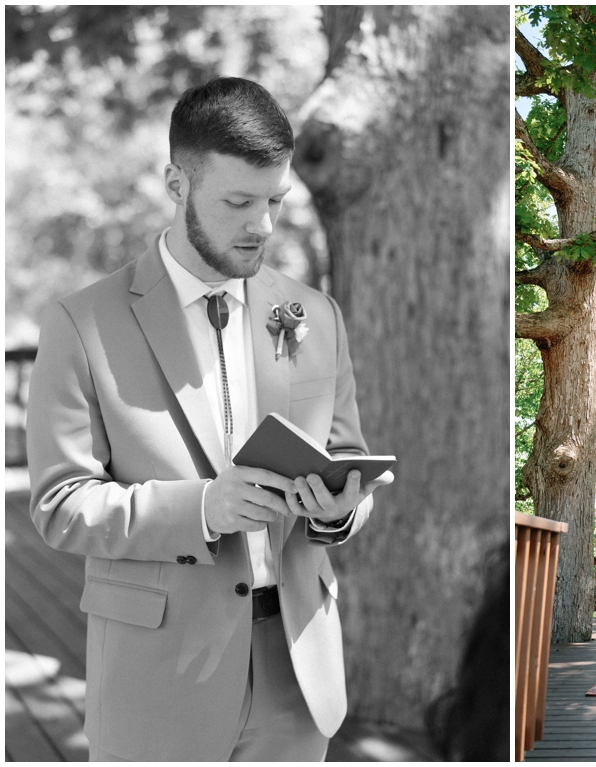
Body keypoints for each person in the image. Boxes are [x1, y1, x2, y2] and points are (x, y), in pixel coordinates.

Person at [27, 76, 393, 761]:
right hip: (157, 679)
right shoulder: (81, 323)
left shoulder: (316, 314)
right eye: (238, 201)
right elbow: (59, 504)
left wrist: (338, 510)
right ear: (175, 183)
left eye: (276, 201)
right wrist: (203, 508)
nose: (263, 224)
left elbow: (348, 455)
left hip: (296, 668)